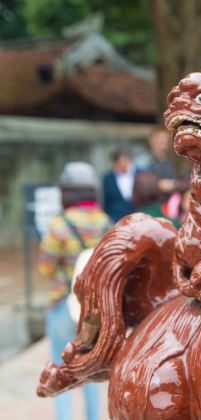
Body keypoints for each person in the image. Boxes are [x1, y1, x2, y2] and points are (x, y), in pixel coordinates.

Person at [38, 162, 111, 420]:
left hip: (61, 306)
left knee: (61, 370)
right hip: (92, 311)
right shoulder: (105, 223)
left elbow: (45, 268)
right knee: (88, 372)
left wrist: (67, 278)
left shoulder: (59, 225)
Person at [135, 128, 184, 196]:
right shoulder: (142, 161)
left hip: (169, 203)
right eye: (160, 137)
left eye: (166, 138)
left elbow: (182, 181)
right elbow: (141, 186)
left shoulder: (172, 162)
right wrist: (158, 185)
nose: (164, 140)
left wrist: (175, 184)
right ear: (151, 140)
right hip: (150, 204)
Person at [102, 149, 136, 222]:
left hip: (135, 216)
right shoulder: (108, 178)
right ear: (116, 161)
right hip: (116, 218)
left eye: (127, 159)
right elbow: (106, 201)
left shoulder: (138, 174)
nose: (125, 162)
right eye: (123, 159)